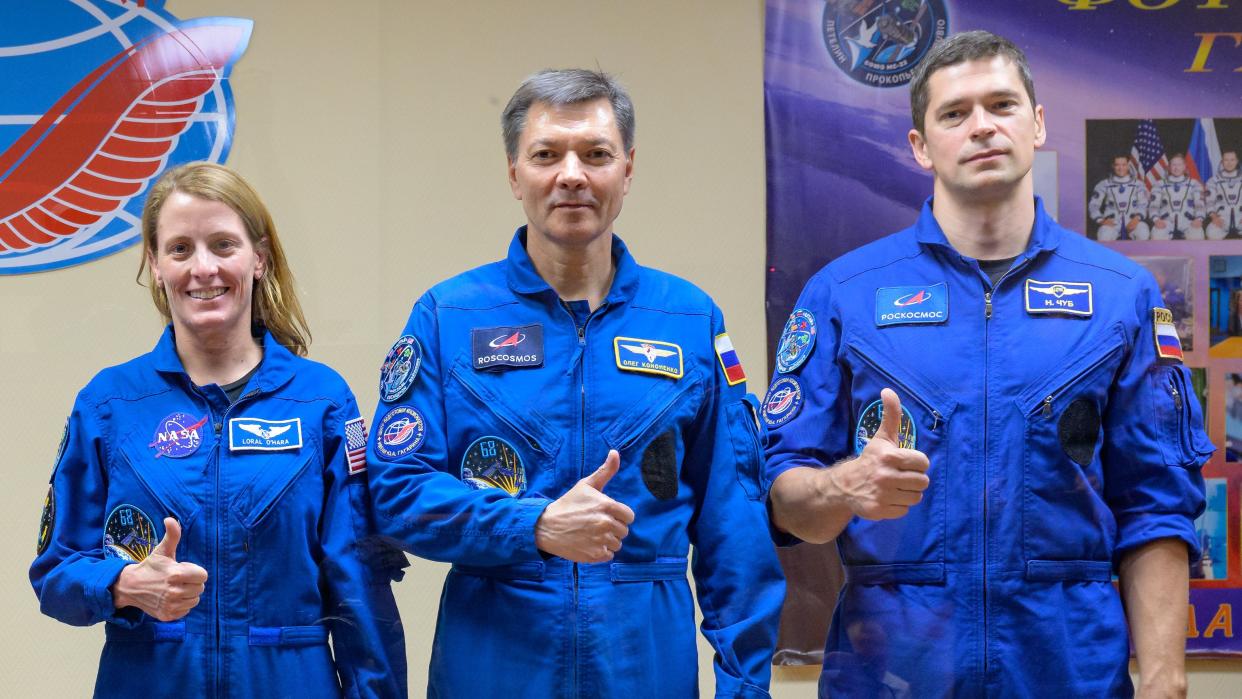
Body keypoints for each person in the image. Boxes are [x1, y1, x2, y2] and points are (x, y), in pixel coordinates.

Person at [764, 31, 1210, 697]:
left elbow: (1156, 507)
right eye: (954, 113)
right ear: (920, 146)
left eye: (1001, 105)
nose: (981, 127)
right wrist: (847, 486)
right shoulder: (844, 294)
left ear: (1036, 124)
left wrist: (1166, 682)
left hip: (1067, 669)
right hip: (894, 669)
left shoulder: (1121, 296)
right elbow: (784, 502)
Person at [365, 69, 784, 698]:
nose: (571, 174)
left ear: (628, 168)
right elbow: (396, 490)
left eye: (596, 154)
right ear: (514, 173)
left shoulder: (690, 321)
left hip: (645, 668)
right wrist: (531, 527)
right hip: (495, 668)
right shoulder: (449, 316)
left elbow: (736, 526)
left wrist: (745, 688)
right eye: (545, 155)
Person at [30, 162, 407, 698]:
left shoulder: (320, 400)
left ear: (259, 258)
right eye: (180, 249)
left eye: (223, 245)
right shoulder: (110, 403)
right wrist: (122, 584)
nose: (202, 268)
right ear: (155, 267)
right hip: (150, 679)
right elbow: (55, 576)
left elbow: (360, 584)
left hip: (289, 678)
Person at [1089, 154, 1151, 241]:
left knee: (1143, 233)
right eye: (1117, 165)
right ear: (1113, 166)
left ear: (1128, 165)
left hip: (1132, 220)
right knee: (1104, 235)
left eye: (1123, 165)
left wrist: (1137, 219)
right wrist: (1101, 220)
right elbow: (1093, 205)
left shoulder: (1138, 184)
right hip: (1112, 222)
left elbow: (1143, 205)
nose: (1121, 168)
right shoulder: (1104, 184)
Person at [1150, 154, 1206, 240]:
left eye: (1179, 165)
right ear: (1169, 167)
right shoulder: (1159, 184)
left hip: (1188, 221)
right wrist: (1156, 220)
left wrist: (1199, 219)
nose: (1176, 168)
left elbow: (1200, 204)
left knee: (1197, 235)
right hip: (1166, 222)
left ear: (1184, 166)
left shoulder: (1194, 184)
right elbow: (1154, 205)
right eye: (1174, 165)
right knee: (1157, 235)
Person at [1205, 150, 1242, 240]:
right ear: (1222, 161)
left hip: (1240, 218)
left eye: (1232, 160)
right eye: (1226, 160)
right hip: (1222, 219)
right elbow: (1209, 202)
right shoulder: (1213, 181)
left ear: (1237, 161)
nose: (1229, 163)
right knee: (1211, 233)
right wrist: (1214, 217)